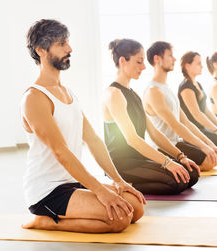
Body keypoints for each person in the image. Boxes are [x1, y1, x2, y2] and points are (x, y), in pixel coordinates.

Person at [21, 19, 145, 233]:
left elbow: (94, 140)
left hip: (71, 182)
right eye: (61, 44)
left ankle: (85, 201)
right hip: (47, 191)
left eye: (67, 42)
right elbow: (61, 152)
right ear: (41, 50)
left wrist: (118, 181)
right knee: (120, 219)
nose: (69, 49)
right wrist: (100, 191)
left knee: (136, 208)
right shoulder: (34, 98)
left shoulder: (68, 93)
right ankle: (44, 220)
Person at [103, 39, 200, 195]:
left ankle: (132, 182)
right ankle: (119, 184)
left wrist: (180, 157)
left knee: (191, 175)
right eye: (139, 62)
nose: (143, 67)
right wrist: (167, 162)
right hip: (122, 164)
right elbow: (132, 139)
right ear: (123, 61)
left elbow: (153, 132)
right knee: (176, 183)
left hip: (139, 159)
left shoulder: (134, 94)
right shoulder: (113, 94)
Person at [143, 41, 217, 171]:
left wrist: (209, 144)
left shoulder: (166, 88)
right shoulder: (153, 91)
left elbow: (185, 122)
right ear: (157, 59)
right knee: (208, 161)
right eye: (170, 55)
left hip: (176, 142)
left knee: (214, 158)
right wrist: (204, 147)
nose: (174, 59)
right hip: (163, 147)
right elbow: (175, 125)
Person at [178, 51, 217, 156]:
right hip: (194, 131)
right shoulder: (186, 88)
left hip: (203, 128)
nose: (202, 66)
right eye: (198, 64)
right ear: (188, 66)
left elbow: (206, 110)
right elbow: (197, 114)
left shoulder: (197, 84)